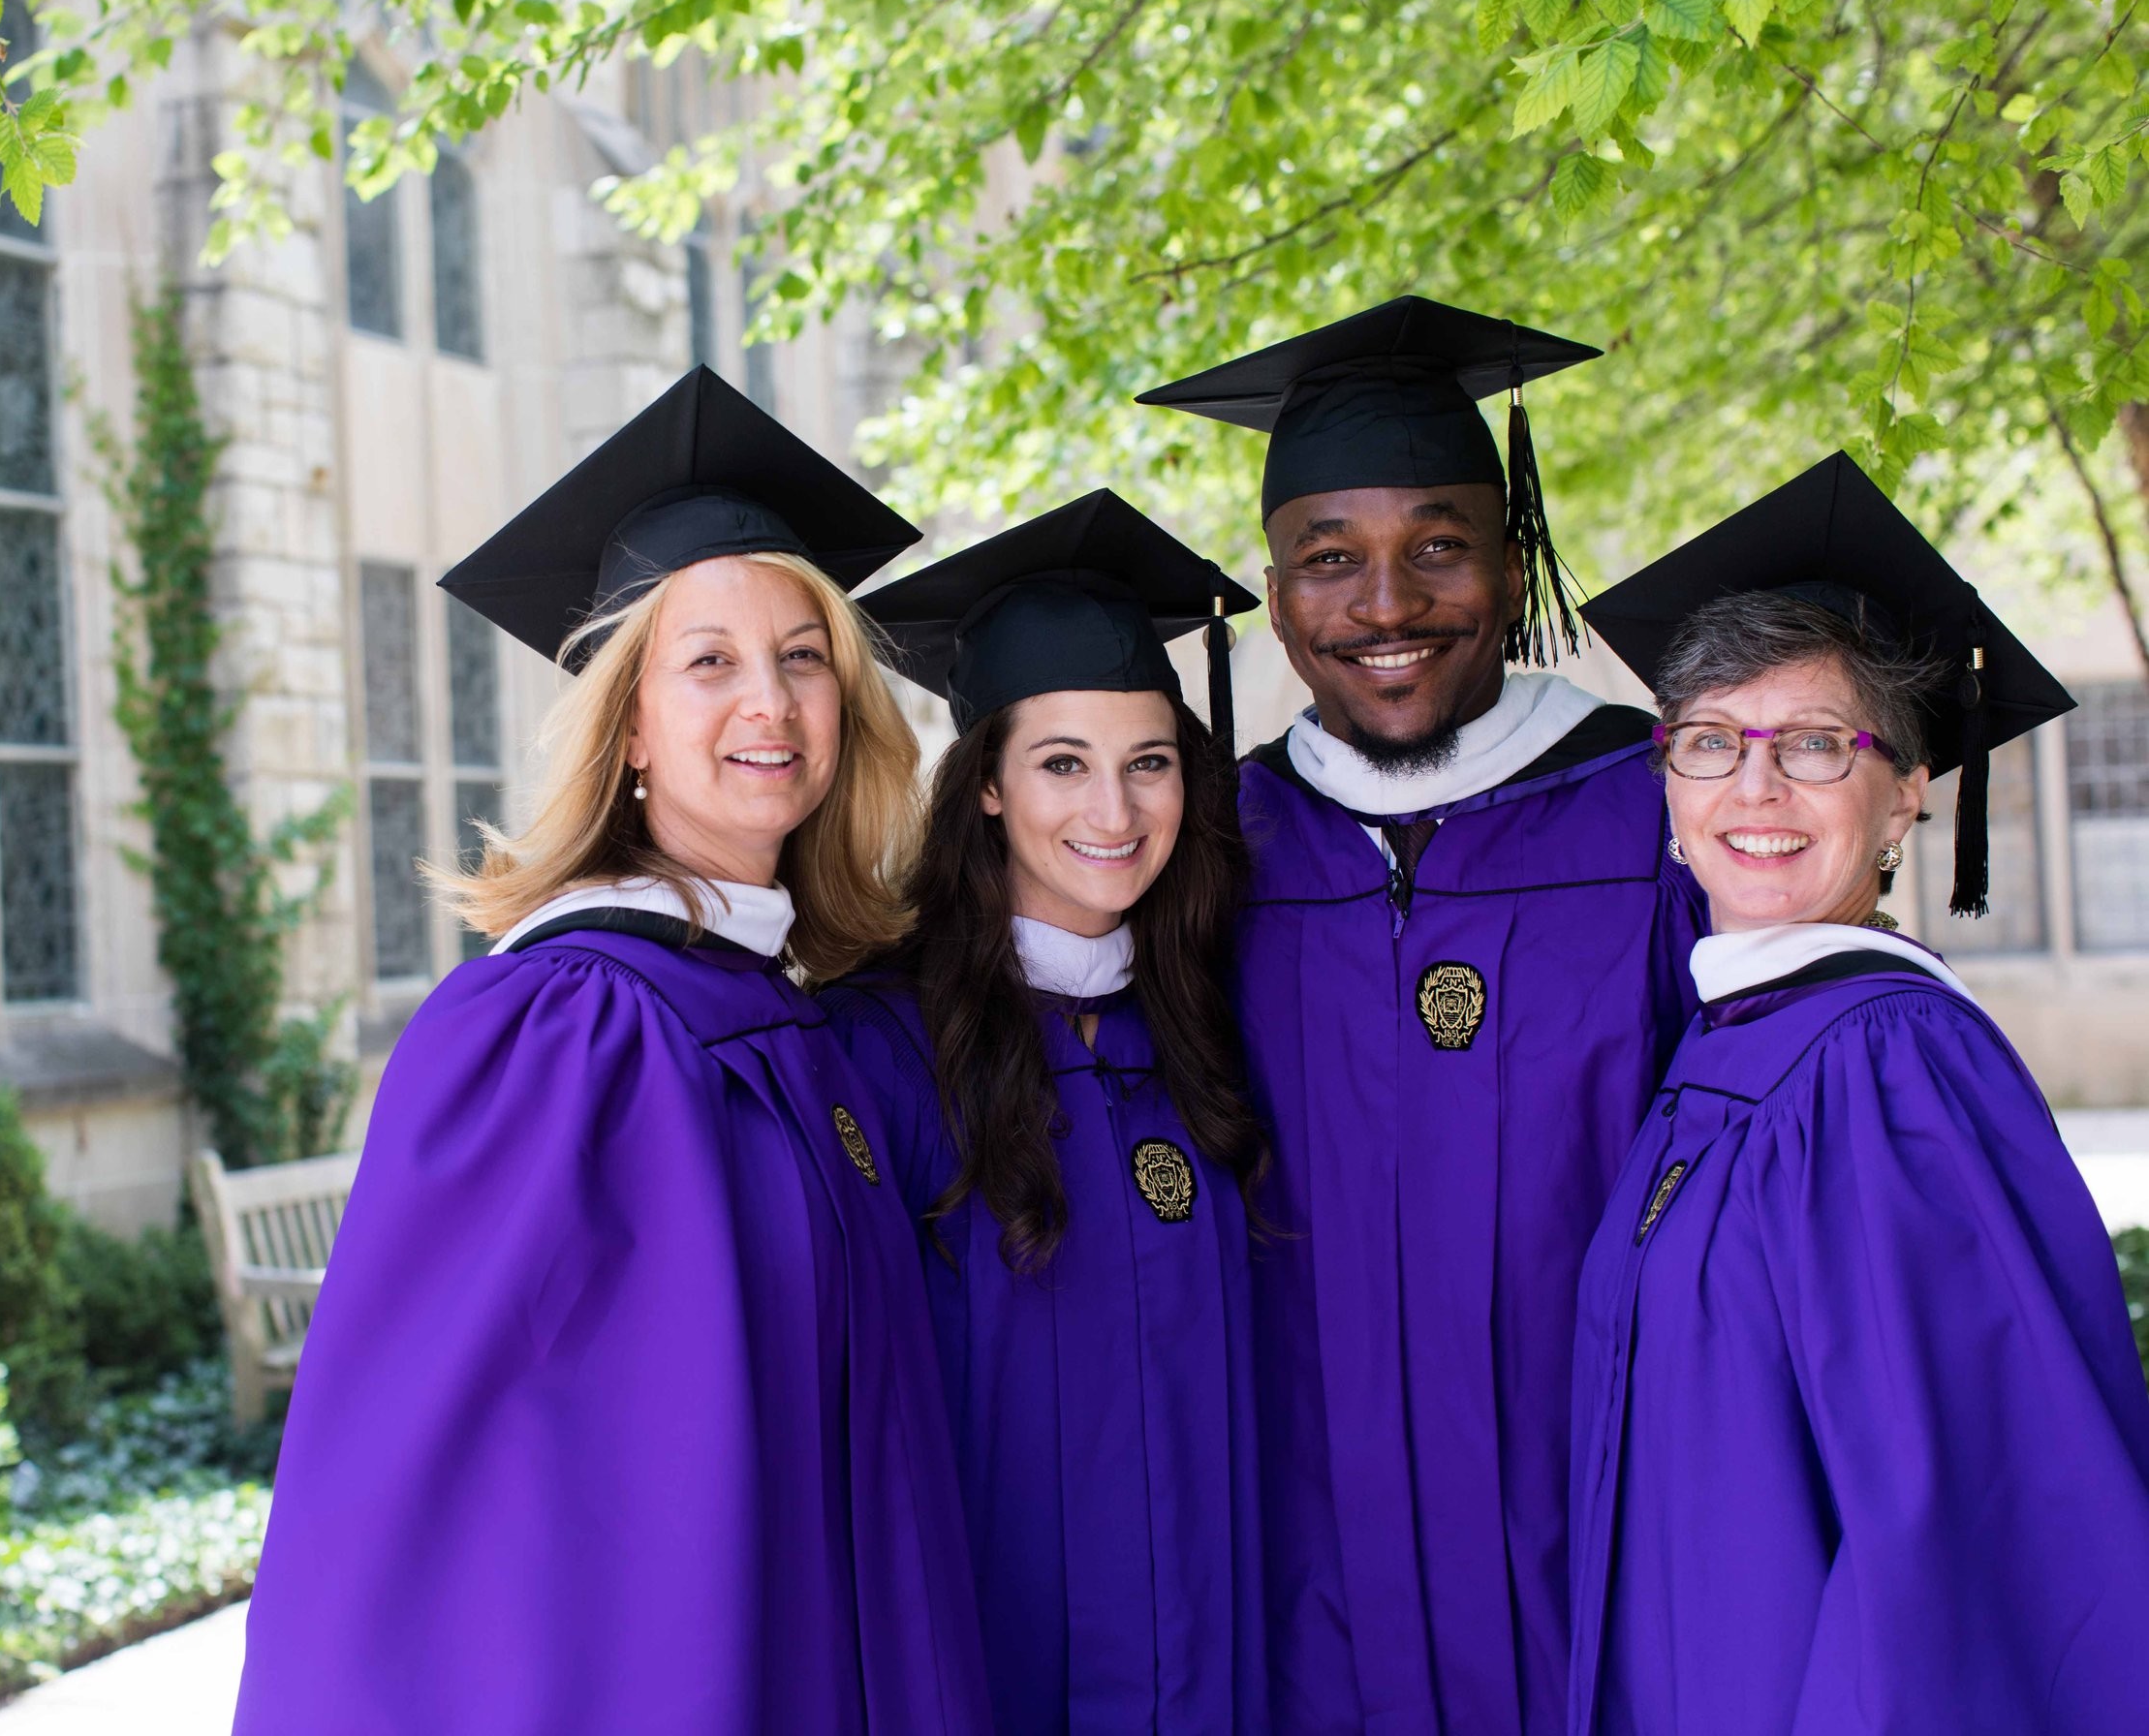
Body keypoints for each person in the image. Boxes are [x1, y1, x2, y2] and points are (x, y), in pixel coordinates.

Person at [233, 368, 993, 1734]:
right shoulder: (559, 1031)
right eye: (709, 662)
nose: (769, 701)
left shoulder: (809, 1017)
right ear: (630, 722)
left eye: (803, 657)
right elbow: (428, 1474)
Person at [1139, 295, 1709, 1736]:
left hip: (1609, 1553)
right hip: (1305, 1593)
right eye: (1331, 562)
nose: (1387, 607)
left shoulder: (1658, 822)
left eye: (1438, 548)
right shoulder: (1209, 854)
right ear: (1275, 597)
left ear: (1513, 573)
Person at [1565, 451, 2149, 1735]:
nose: (1756, 789)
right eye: (1712, 743)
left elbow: (1943, 1540)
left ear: (1905, 796)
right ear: (1668, 792)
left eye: (1816, 745)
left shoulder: (1882, 1075)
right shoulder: (1732, 1047)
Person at [826, 489, 1270, 1734]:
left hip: (1205, 1654)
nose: (1114, 815)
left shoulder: (1198, 1029)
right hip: (985, 1658)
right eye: (1062, 765)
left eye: (1150, 764)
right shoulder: (881, 1049)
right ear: (984, 789)